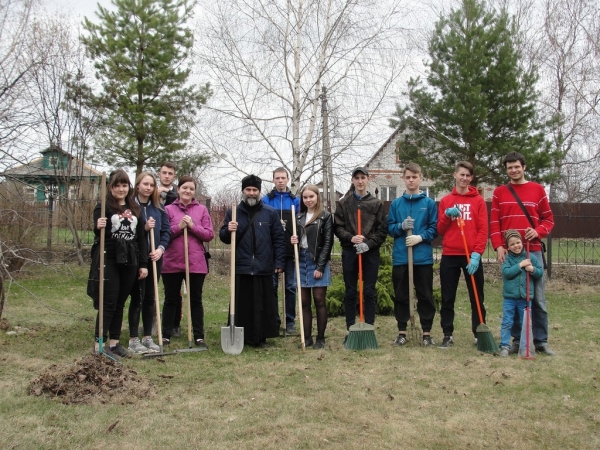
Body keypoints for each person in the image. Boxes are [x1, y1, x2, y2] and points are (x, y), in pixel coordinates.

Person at [490, 151, 555, 356]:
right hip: (511, 256)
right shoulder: (499, 192)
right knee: (515, 298)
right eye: (509, 167)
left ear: (524, 167)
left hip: (532, 251)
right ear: (506, 170)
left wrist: (538, 231)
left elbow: (548, 220)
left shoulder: (537, 190)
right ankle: (518, 340)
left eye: (517, 166)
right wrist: (499, 245)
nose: (513, 170)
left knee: (537, 299)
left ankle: (541, 341)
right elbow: (495, 223)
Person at [219, 174, 285, 347]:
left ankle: (261, 336)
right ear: (243, 191)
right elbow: (224, 237)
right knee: (243, 303)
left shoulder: (269, 213)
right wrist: (228, 230)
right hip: (241, 265)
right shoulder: (233, 212)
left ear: (259, 191)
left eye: (255, 190)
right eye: (248, 190)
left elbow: (278, 239)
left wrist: (279, 262)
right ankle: (243, 336)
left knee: (262, 304)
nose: (251, 193)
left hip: (264, 266)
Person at [92, 169, 148, 358]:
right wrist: (98, 225)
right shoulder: (103, 206)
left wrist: (143, 264)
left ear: (128, 187)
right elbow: (97, 231)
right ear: (111, 187)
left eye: (124, 185)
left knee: (120, 303)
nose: (121, 189)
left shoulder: (135, 209)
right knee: (108, 301)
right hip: (110, 257)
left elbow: (141, 238)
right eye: (117, 185)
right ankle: (99, 345)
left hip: (130, 259)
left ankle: (114, 344)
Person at [436, 161, 488, 348]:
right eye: (461, 174)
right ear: (455, 175)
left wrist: (477, 254)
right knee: (448, 296)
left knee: (476, 295)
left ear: (471, 178)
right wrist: (447, 216)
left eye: (468, 175)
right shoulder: (446, 201)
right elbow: (440, 229)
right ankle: (447, 334)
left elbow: (483, 229)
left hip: (470, 255)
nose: (464, 178)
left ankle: (479, 331)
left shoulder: (478, 201)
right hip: (450, 254)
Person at [387, 162, 438, 346]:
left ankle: (426, 333)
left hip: (422, 258)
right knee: (401, 295)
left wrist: (420, 237)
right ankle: (402, 331)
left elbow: (434, 229)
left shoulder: (429, 203)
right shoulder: (396, 204)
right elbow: (390, 229)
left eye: (414, 177)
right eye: (408, 177)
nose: (411, 180)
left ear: (420, 178)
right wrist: (400, 227)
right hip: (401, 257)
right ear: (403, 178)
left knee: (425, 294)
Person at [334, 167, 388, 338]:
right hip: (350, 252)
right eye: (356, 178)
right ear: (352, 180)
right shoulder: (344, 203)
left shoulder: (376, 203)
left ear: (367, 179)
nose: (359, 181)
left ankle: (369, 328)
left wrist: (369, 243)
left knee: (369, 290)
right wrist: (351, 238)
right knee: (350, 290)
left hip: (370, 253)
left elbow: (382, 229)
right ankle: (351, 329)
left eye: (362, 177)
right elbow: (338, 226)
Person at [161, 176, 214, 348]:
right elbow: (164, 234)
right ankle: (166, 334)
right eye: (184, 187)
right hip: (172, 262)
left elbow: (208, 235)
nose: (187, 191)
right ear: (179, 189)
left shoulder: (202, 210)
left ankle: (198, 336)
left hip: (195, 263)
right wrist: (179, 227)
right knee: (171, 299)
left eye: (191, 189)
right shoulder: (168, 210)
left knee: (196, 299)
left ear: (194, 191)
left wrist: (192, 226)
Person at [127, 172, 171, 354]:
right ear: (137, 185)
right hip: (137, 258)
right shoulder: (130, 208)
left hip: (154, 258)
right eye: (145, 184)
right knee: (138, 296)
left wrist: (160, 249)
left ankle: (147, 336)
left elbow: (166, 231)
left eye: (151, 185)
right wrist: (143, 228)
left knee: (151, 297)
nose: (148, 188)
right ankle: (133, 338)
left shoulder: (159, 209)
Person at [290, 185, 334, 349]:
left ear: (317, 197)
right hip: (301, 259)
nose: (308, 200)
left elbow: (328, 243)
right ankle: (306, 337)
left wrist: (320, 267)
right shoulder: (299, 216)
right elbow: (297, 239)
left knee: (319, 300)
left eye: (311, 197)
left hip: (317, 259)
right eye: (305, 197)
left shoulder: (325, 217)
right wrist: (293, 240)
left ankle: (320, 338)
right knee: (304, 301)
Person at [262, 167, 300, 334]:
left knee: (290, 286)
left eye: (283, 178)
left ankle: (289, 321)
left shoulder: (296, 201)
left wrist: (297, 237)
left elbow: (301, 224)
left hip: (290, 250)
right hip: (272, 251)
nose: (280, 181)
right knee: (272, 286)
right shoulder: (266, 200)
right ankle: (273, 320)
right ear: (273, 180)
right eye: (277, 178)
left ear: (287, 179)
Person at [499, 230, 544, 357]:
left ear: (522, 242)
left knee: (525, 323)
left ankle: (525, 347)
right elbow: (507, 273)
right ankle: (504, 345)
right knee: (507, 321)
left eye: (518, 242)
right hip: (510, 298)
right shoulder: (507, 259)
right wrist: (520, 265)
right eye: (512, 244)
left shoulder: (531, 257)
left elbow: (540, 273)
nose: (516, 246)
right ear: (508, 247)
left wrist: (532, 269)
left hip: (526, 297)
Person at [157, 161, 182, 336]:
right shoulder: (150, 191)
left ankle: (174, 324)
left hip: (172, 246)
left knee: (173, 291)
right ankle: (152, 323)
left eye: (170, 173)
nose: (167, 176)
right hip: (152, 242)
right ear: (159, 174)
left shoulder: (177, 196)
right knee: (149, 287)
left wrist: (169, 194)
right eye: (164, 173)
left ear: (174, 176)